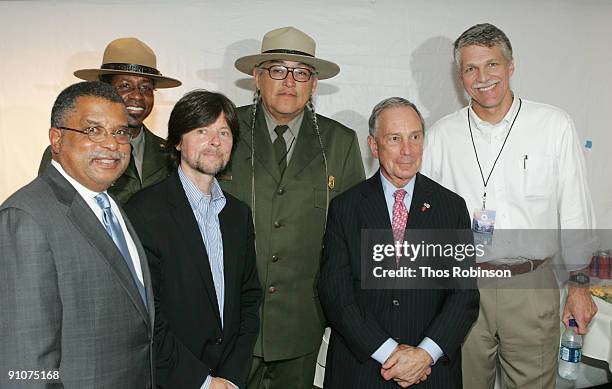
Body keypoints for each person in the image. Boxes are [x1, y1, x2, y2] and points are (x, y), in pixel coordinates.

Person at [421, 23, 598, 388]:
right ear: (460, 76)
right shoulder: (441, 135)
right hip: (462, 288)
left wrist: (580, 286)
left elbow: (576, 208)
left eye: (492, 65)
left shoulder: (553, 125)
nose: (482, 77)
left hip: (531, 285)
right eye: (471, 68)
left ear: (511, 66)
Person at [222, 26, 366, 389]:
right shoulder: (223, 130)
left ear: (313, 84)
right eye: (278, 70)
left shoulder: (340, 142)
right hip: (229, 319)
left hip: (303, 321)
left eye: (301, 73)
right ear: (257, 77)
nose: (289, 81)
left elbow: (351, 237)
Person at [0, 81, 154, 388]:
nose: (112, 144)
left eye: (121, 132)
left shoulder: (110, 204)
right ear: (56, 139)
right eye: (93, 131)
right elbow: (25, 366)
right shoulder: (26, 218)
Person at [318, 97, 479, 388]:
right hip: (361, 370)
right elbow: (336, 294)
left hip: (430, 372)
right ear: (373, 145)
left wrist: (424, 355)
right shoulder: (345, 207)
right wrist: (389, 352)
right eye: (395, 138)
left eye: (415, 137)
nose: (407, 151)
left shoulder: (451, 208)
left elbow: (464, 296)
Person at [124, 90, 261, 389]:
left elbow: (249, 299)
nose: (215, 141)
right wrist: (202, 382)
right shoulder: (144, 211)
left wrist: (230, 377)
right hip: (171, 379)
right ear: (177, 140)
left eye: (223, 132)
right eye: (202, 130)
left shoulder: (238, 214)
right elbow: (145, 314)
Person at [39, 37, 182, 203]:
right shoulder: (67, 150)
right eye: (125, 86)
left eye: (146, 88)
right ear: (105, 90)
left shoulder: (169, 153)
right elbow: (49, 209)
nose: (137, 96)